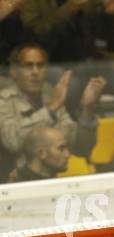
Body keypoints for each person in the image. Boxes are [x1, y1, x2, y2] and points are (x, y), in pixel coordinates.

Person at [0, 42, 105, 177]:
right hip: (15, 182)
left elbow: (81, 148)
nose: (35, 72)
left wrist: (87, 109)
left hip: (52, 179)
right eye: (28, 66)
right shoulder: (4, 100)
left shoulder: (51, 95)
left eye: (40, 65)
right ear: (14, 71)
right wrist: (51, 109)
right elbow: (12, 141)